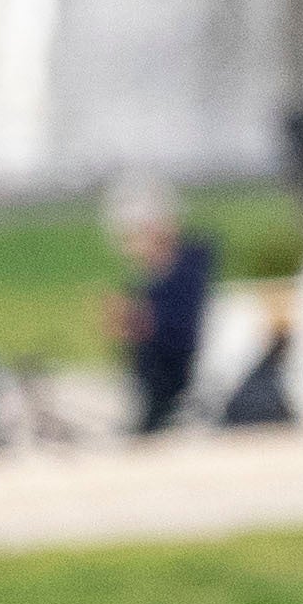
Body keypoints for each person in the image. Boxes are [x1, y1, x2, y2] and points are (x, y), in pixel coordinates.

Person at [99, 175, 218, 433]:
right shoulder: (151, 281)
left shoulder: (191, 270)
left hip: (179, 401)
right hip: (155, 398)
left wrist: (136, 321)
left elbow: (182, 338)